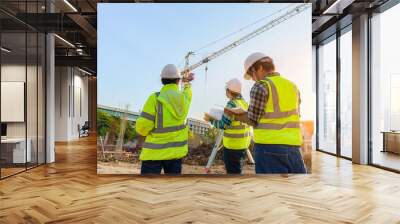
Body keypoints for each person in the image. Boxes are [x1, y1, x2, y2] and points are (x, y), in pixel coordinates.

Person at [226, 52, 306, 174]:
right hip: (294, 148)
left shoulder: (261, 86)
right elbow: (295, 116)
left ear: (259, 68)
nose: (252, 78)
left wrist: (236, 115)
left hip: (269, 149)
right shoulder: (293, 86)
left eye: (251, 74)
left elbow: (252, 119)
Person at [135, 64, 194, 175]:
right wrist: (187, 83)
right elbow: (188, 93)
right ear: (178, 81)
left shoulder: (155, 98)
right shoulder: (184, 99)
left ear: (162, 80)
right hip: (175, 155)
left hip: (153, 155)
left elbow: (142, 128)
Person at [204, 78, 251, 174]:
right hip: (244, 145)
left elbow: (223, 125)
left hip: (232, 147)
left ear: (229, 91)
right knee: (237, 171)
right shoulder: (245, 103)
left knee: (233, 174)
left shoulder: (231, 104)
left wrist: (211, 120)